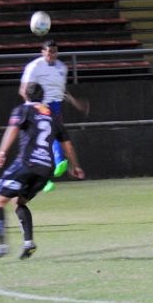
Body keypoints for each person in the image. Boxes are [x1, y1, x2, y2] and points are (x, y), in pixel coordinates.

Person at [0, 82, 85, 260]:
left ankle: (1, 246)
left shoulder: (23, 109)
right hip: (46, 169)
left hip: (26, 164)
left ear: (26, 94)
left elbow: (12, 130)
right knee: (18, 202)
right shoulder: (52, 115)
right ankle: (29, 243)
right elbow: (67, 145)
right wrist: (75, 166)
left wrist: (1, 152)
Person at [19, 39, 88, 192]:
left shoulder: (62, 68)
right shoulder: (34, 67)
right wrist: (32, 107)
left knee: (50, 138)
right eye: (49, 51)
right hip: (38, 105)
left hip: (55, 105)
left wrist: (74, 102)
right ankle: (53, 167)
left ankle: (52, 170)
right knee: (43, 140)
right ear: (42, 52)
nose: (51, 54)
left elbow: (62, 90)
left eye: (54, 51)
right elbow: (23, 90)